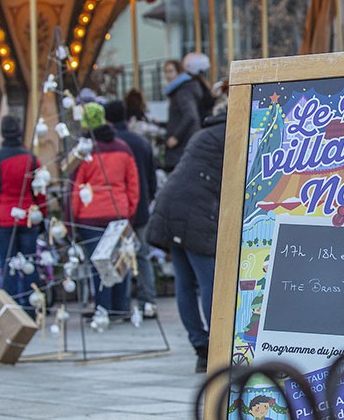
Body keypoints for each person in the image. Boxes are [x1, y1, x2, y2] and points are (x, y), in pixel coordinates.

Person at [147, 101, 227, 372]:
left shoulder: (202, 134)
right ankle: (216, 347)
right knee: (208, 281)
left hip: (169, 207)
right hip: (197, 212)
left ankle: (200, 346)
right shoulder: (233, 133)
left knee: (185, 283)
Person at [70, 102, 140, 323]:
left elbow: (76, 188)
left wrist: (72, 217)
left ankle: (102, 309)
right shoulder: (123, 148)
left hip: (90, 216)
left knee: (98, 265)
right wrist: (129, 212)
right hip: (118, 213)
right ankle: (120, 309)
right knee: (120, 262)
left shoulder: (86, 153)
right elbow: (133, 184)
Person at [0, 115, 47, 308]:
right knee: (29, 263)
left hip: (3, 218)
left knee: (7, 263)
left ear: (2, 132)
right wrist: (43, 214)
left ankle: (11, 307)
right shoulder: (31, 159)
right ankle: (32, 305)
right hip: (28, 216)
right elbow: (40, 190)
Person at [104, 99, 158, 318]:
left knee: (120, 256)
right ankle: (148, 301)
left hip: (118, 208)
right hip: (141, 208)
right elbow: (152, 176)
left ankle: (122, 303)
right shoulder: (140, 142)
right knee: (142, 255)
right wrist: (147, 198)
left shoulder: (110, 144)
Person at [161, 54, 213, 171]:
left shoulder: (182, 92)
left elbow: (190, 115)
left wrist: (175, 137)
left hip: (181, 147)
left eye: (170, 71)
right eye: (166, 72)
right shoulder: (183, 90)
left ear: (179, 72)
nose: (167, 76)